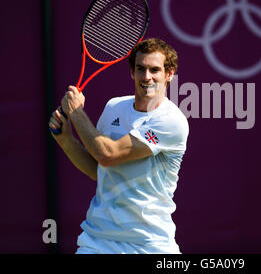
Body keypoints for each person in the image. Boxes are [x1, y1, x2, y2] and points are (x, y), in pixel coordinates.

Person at [48, 38, 189, 254]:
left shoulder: (171, 121)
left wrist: (76, 112)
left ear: (169, 74)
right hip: (97, 242)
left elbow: (108, 154)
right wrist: (66, 140)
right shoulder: (114, 107)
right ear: (132, 72)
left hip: (149, 245)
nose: (147, 77)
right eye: (140, 69)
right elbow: (102, 170)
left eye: (155, 70)